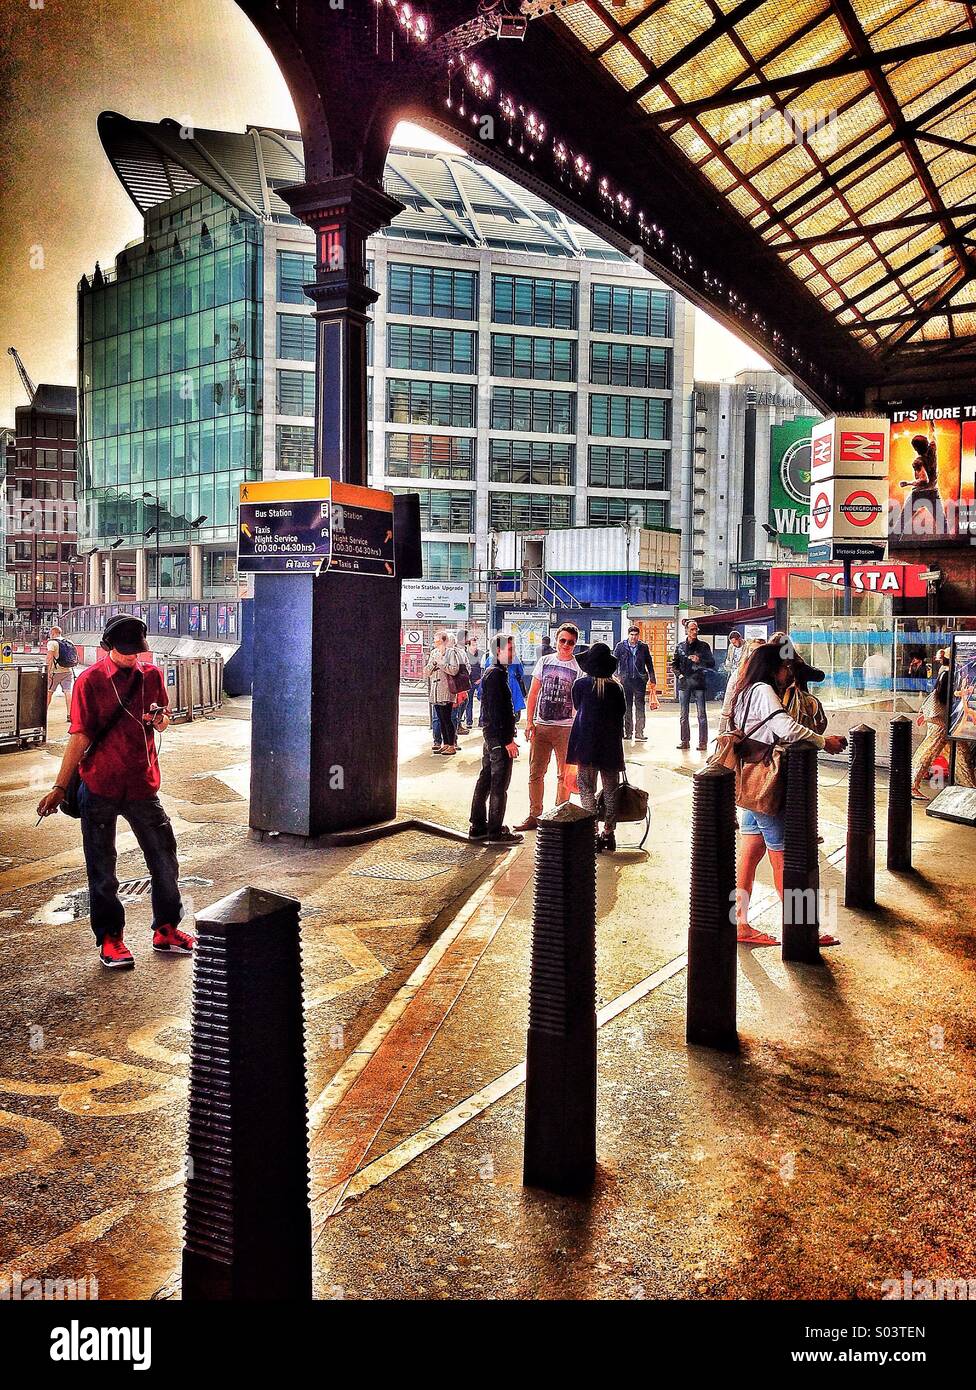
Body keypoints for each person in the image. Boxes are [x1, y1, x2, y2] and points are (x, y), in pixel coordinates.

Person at [35, 614, 193, 970]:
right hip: (100, 786)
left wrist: (159, 721)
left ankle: (166, 929)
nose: (130, 658)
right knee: (103, 870)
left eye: (136, 651)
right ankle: (110, 939)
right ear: (107, 647)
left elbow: (164, 719)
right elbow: (80, 736)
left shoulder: (150, 675)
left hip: (142, 784)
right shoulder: (90, 682)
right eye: (124, 652)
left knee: (165, 858)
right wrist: (60, 787)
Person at [732, 643, 846, 948]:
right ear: (773, 668)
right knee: (784, 857)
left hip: (749, 779)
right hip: (766, 782)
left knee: (749, 854)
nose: (787, 674)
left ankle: (739, 921)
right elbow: (787, 729)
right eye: (785, 668)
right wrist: (824, 741)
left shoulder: (743, 690)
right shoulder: (763, 690)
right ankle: (802, 928)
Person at [515, 622, 582, 832]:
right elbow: (534, 693)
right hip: (542, 727)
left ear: (575, 644)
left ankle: (558, 815)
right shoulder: (544, 662)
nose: (566, 645)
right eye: (562, 640)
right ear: (556, 640)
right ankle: (535, 815)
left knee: (564, 774)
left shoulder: (578, 668)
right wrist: (530, 721)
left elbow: (580, 701)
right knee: (536, 773)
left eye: (570, 642)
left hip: (566, 728)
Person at [568, 643, 626, 852]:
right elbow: (622, 713)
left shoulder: (580, 685)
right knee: (611, 790)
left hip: (586, 744)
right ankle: (608, 834)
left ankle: (591, 833)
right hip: (610, 746)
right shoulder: (616, 688)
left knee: (586, 788)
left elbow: (576, 706)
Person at [469, 634, 524, 847]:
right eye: (509, 650)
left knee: (486, 779)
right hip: (498, 738)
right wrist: (507, 739)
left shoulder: (496, 672)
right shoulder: (496, 675)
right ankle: (494, 831)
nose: (512, 654)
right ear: (497, 651)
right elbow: (498, 710)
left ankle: (478, 826)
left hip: (491, 735)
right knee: (499, 784)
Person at [671, 619, 715, 752]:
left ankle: (703, 742)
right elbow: (674, 665)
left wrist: (699, 660)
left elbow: (712, 663)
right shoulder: (680, 647)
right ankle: (685, 741)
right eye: (692, 629)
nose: (695, 632)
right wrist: (680, 675)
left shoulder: (703, 646)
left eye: (696, 629)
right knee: (683, 714)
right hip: (684, 684)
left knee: (701, 714)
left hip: (699, 683)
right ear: (686, 630)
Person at [613, 623, 658, 742]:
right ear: (628, 635)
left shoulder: (643, 647)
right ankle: (628, 732)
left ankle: (640, 732)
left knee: (640, 706)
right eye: (631, 635)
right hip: (625, 681)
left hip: (639, 681)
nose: (633, 637)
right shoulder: (620, 646)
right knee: (626, 707)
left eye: (636, 635)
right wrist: (615, 676)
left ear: (639, 636)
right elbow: (613, 662)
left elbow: (649, 663)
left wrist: (652, 678)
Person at [717, 637, 765, 735]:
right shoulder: (738, 674)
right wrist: (721, 732)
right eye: (751, 650)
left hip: (761, 730)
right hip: (740, 728)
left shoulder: (768, 675)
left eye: (758, 651)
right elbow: (727, 704)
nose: (754, 654)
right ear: (747, 653)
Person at [425, 630, 460, 756]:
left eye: (438, 641)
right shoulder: (434, 653)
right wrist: (432, 665)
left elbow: (454, 670)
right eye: (435, 641)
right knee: (440, 718)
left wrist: (441, 664)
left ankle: (451, 744)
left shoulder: (451, 653)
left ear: (444, 641)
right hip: (435, 689)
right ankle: (445, 743)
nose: (435, 643)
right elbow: (427, 671)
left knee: (447, 718)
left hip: (446, 690)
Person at [46, 622, 77, 715]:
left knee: (49, 692)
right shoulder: (69, 642)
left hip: (56, 672)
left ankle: (43, 714)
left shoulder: (52, 643)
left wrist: (48, 672)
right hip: (68, 671)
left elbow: (49, 658)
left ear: (53, 633)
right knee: (68, 692)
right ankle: (69, 714)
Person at [461, 635, 483, 734]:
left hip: (479, 680)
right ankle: (469, 721)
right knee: (468, 702)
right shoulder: (465, 655)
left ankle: (482, 721)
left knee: (483, 700)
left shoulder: (481, 655)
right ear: (468, 646)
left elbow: (484, 668)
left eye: (476, 645)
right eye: (473, 645)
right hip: (469, 682)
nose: (475, 647)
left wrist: (481, 679)